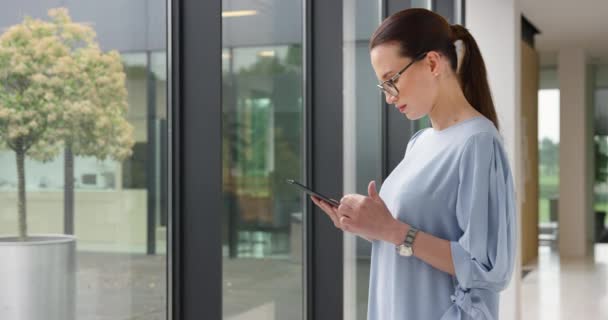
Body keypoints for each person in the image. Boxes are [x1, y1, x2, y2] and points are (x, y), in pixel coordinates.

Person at [311, 8, 517, 320]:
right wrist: (369, 225)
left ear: (433, 63)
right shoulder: (420, 142)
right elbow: (413, 234)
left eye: (391, 79)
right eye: (383, 87)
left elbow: (489, 269)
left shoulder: (478, 142)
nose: (389, 97)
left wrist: (392, 230)